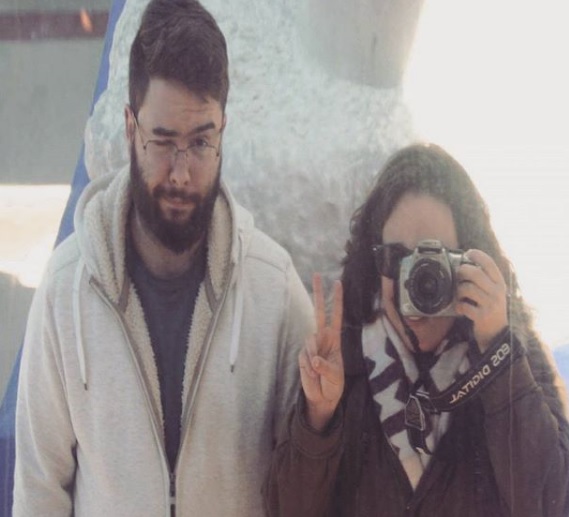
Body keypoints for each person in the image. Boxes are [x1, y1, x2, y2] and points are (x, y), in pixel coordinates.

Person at [12, 0, 314, 515]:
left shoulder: (275, 290)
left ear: (223, 130)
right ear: (130, 127)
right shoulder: (66, 289)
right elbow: (39, 490)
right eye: (163, 140)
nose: (180, 172)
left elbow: (306, 487)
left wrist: (324, 419)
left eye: (201, 142)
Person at [264, 143, 569, 516]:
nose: (415, 281)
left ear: (472, 262)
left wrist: (498, 358)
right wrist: (318, 420)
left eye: (435, 261)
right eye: (395, 258)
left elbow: (551, 504)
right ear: (373, 262)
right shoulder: (342, 364)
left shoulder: (513, 362)